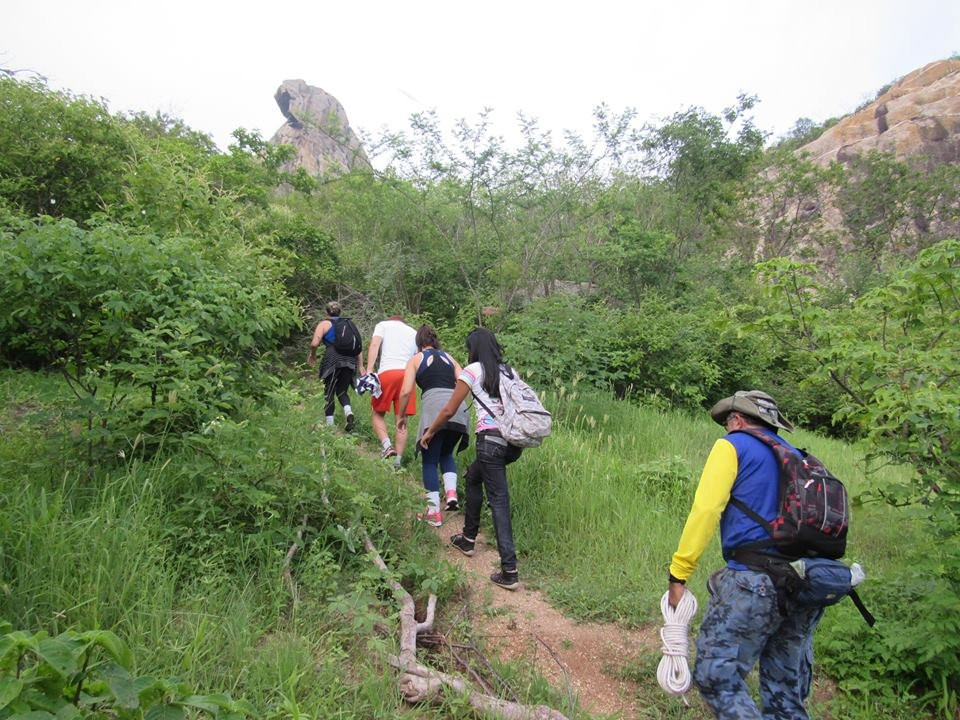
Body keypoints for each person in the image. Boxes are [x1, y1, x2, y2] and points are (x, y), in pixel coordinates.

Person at [667, 390, 823, 720]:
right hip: (806, 583)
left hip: (753, 583)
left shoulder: (733, 445)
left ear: (737, 420)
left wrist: (679, 574)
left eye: (727, 423)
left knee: (715, 678)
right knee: (784, 690)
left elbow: (707, 509)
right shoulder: (797, 457)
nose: (727, 429)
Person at [420, 328, 522, 591]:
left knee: (498, 500)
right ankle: (468, 538)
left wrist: (430, 431)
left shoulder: (472, 370)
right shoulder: (509, 370)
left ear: (473, 349)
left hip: (490, 442)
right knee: (472, 477)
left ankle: (509, 570)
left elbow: (449, 408)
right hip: (513, 442)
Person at [397, 325, 469, 527]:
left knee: (429, 460)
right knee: (446, 454)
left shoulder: (415, 360)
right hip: (458, 409)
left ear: (418, 343)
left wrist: (401, 416)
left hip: (433, 409)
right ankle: (452, 493)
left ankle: (433, 513)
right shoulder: (449, 357)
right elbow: (464, 379)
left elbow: (404, 392)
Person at [365, 315, 418, 468]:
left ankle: (387, 447)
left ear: (391, 320)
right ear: (402, 321)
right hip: (407, 376)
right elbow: (416, 357)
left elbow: (374, 345)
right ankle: (397, 461)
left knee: (377, 413)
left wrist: (369, 370)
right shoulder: (413, 332)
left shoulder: (383, 325)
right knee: (401, 419)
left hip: (387, 373)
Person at [307, 301, 363, 431]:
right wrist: (360, 365)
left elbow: (315, 343)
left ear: (326, 313)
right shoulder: (349, 324)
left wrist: (313, 355)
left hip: (332, 357)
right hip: (350, 359)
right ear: (340, 312)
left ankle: (330, 425)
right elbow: (359, 346)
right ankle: (348, 412)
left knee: (329, 391)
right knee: (342, 390)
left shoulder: (324, 323)